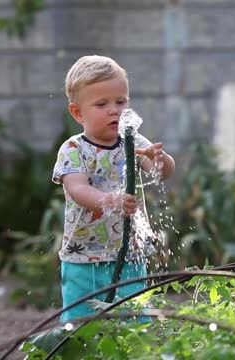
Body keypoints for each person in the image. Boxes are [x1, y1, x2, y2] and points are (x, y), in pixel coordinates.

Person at [52, 55, 175, 322]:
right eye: (102, 104)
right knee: (81, 325)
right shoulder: (73, 149)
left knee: (134, 321)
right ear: (77, 112)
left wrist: (159, 160)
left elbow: (164, 172)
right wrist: (110, 200)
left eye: (121, 102)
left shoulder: (132, 139)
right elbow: (78, 190)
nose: (114, 110)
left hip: (130, 253)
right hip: (83, 257)